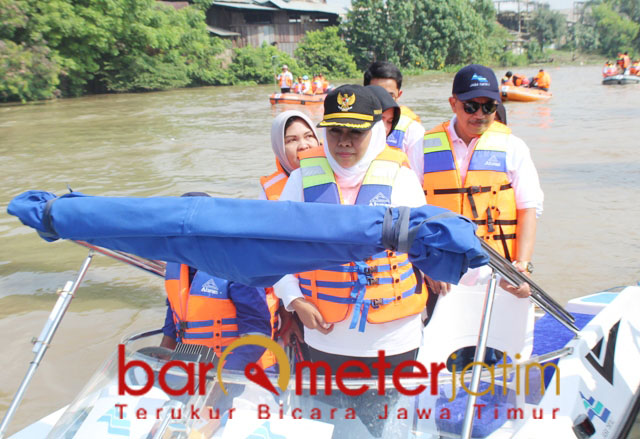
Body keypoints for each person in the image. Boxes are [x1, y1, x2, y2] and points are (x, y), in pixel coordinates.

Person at [273, 84, 428, 370]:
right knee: (329, 414)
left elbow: (426, 246)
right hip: (325, 335)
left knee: (393, 413)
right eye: (335, 131)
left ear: (375, 131)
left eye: (356, 132)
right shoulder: (299, 182)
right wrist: (294, 300)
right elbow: (275, 249)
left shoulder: (402, 180)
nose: (344, 142)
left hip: (396, 336)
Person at [417, 64, 543, 298]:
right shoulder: (422, 148)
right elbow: (408, 213)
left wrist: (523, 265)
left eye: (488, 107)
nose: (479, 114)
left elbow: (528, 208)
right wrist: (426, 267)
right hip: (440, 272)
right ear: (453, 103)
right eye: (471, 106)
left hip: (499, 272)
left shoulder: (513, 147)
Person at [363, 61, 425, 168]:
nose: (383, 101)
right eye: (376, 95)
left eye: (389, 95)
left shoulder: (412, 131)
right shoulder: (350, 125)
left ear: (399, 95)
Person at [260, 111, 320, 201]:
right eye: (292, 140)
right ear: (280, 149)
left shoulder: (341, 174)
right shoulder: (267, 196)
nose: (303, 146)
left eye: (308, 136)